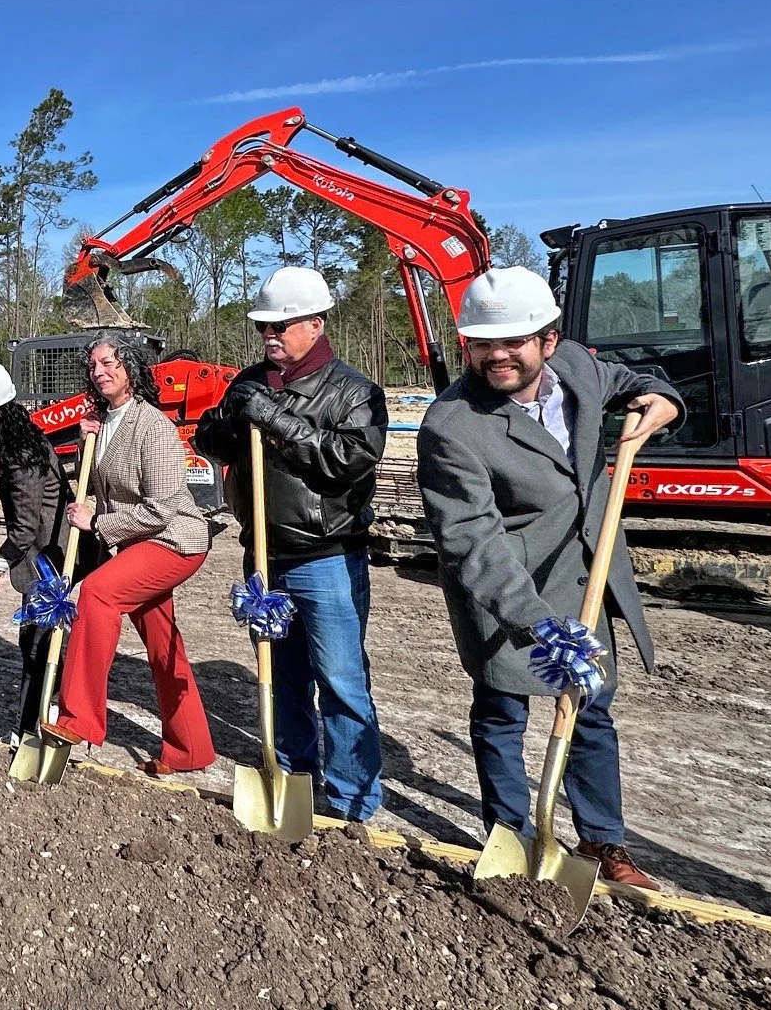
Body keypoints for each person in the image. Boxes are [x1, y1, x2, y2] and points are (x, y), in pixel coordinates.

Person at [418, 266, 682, 889]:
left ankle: (602, 843)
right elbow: (471, 539)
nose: (497, 355)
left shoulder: (582, 372)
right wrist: (537, 622)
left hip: (586, 577)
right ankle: (511, 835)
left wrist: (661, 396)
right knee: (503, 712)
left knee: (591, 710)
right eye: (483, 343)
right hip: (508, 589)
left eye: (514, 342)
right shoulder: (451, 426)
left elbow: (632, 379)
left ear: (550, 339)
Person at [193, 266, 388, 822]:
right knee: (281, 678)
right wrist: (233, 421)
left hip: (326, 558)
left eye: (281, 325)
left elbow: (348, 461)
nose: (270, 335)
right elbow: (209, 436)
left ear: (315, 324)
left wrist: (274, 421)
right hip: (264, 555)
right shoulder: (251, 382)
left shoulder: (355, 392)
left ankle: (353, 800)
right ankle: (293, 776)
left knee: (343, 681)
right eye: (263, 327)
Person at [39, 333, 216, 777]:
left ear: (131, 368)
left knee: (97, 594)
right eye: (95, 365)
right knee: (162, 644)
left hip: (174, 540)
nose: (101, 372)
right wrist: (86, 446)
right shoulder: (101, 423)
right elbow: (101, 488)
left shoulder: (152, 425)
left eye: (111, 363)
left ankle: (78, 718)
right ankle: (189, 747)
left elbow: (160, 508)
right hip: (139, 543)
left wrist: (97, 524)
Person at [0, 361, 76, 736]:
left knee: (39, 645)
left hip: (49, 561)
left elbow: (24, 529)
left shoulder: (22, 455)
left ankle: (31, 727)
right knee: (36, 644)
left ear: (4, 409)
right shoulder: (15, 442)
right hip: (42, 556)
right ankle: (36, 719)